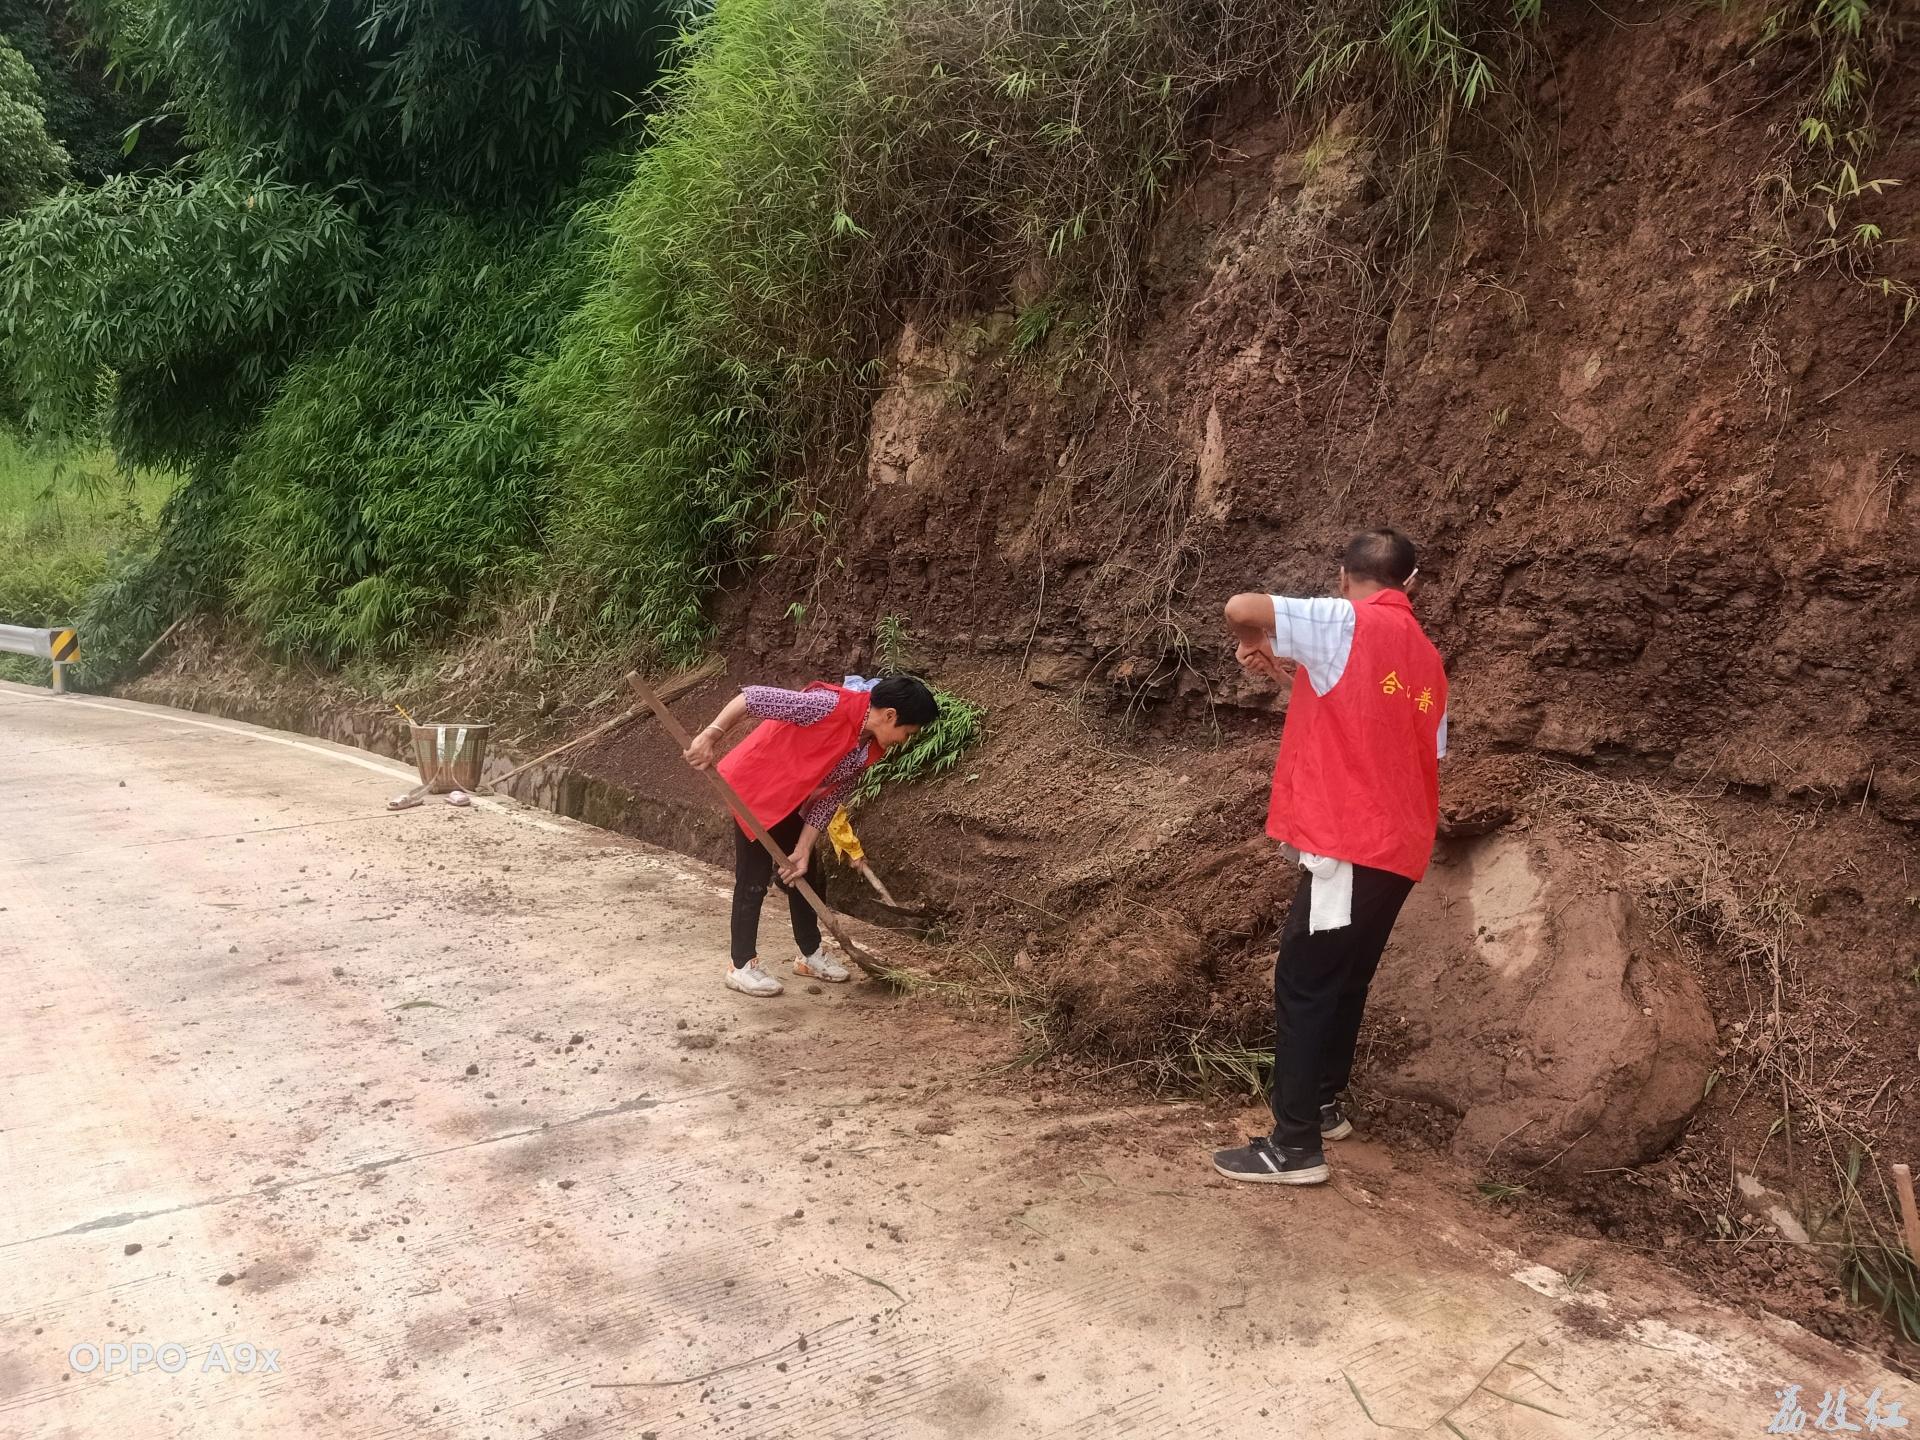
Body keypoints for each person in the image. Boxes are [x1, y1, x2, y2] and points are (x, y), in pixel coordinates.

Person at [1211, 529, 1448, 1186]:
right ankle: (1321, 1104)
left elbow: (1239, 607)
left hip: (1348, 845)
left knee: (1305, 980)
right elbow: (1393, 739)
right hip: (1398, 848)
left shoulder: (1346, 619)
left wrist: (1257, 640)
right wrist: (1292, 674)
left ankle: (1293, 1147)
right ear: (1413, 582)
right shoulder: (1427, 660)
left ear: (1345, 576)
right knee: (1346, 979)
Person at [683, 674, 939, 997]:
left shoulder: (867, 748)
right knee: (753, 877)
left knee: (807, 873)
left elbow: (829, 798)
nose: (905, 740)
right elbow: (752, 697)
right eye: (908, 732)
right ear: (890, 716)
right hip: (756, 788)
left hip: (790, 798)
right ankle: (741, 965)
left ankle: (808, 954)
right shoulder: (829, 706)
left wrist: (803, 848)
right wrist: (710, 735)